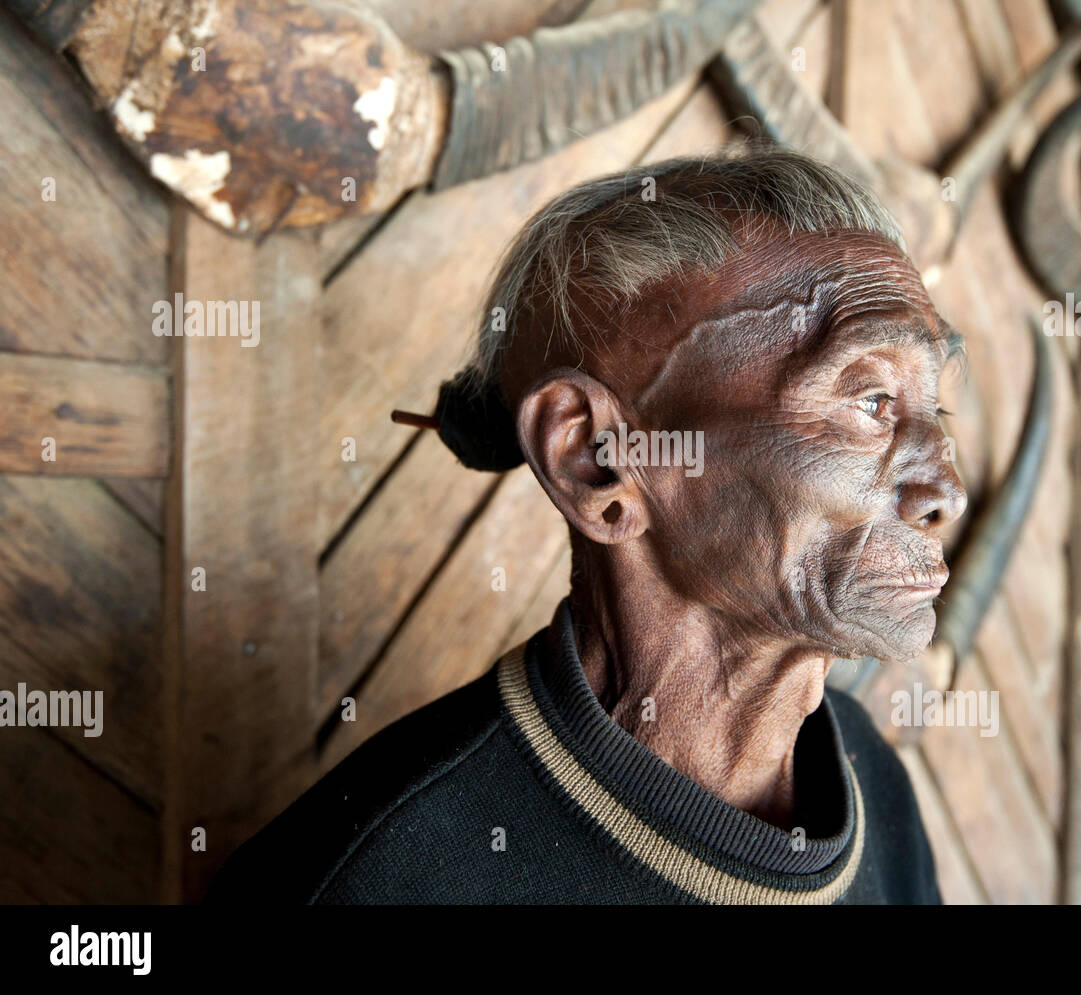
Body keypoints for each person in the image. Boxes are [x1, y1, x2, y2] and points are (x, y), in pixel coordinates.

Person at [206, 147, 966, 904]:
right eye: (871, 404)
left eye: (936, 411)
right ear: (595, 462)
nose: (946, 491)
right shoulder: (377, 878)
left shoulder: (872, 785)